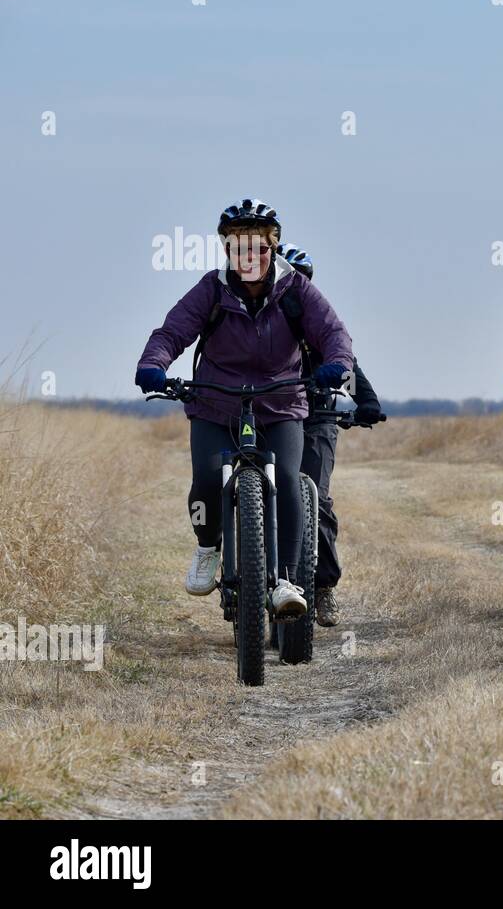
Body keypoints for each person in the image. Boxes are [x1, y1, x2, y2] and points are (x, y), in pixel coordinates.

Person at [135, 199, 354, 616]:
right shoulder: (211, 289)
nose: (249, 257)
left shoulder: (296, 290)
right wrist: (153, 364)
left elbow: (333, 333)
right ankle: (206, 547)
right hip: (216, 403)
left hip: (281, 403)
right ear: (227, 252)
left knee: (290, 479)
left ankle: (288, 578)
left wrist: (337, 364)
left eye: (259, 248)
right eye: (239, 248)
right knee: (205, 479)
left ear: (273, 248)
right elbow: (172, 332)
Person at [277, 243, 383, 628]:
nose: (292, 285)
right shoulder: (259, 322)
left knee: (315, 498)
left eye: (299, 278)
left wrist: (366, 402)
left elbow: (347, 366)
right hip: (269, 416)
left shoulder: (317, 324)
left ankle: (322, 588)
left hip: (317, 418)